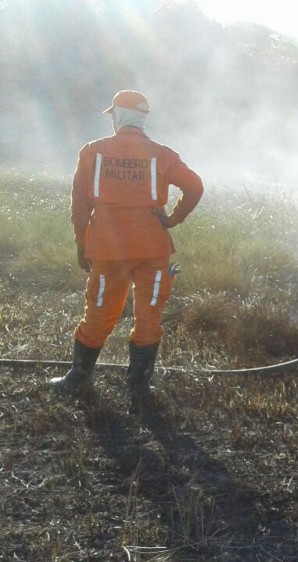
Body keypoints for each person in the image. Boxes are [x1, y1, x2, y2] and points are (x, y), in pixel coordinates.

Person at [49, 90, 204, 413]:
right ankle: (138, 387)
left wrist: (82, 241)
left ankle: (78, 379)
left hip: (108, 249)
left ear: (117, 116)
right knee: (149, 316)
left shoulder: (93, 152)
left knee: (100, 314)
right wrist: (173, 218)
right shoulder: (162, 155)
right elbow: (195, 186)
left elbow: (80, 203)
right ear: (143, 117)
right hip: (153, 248)